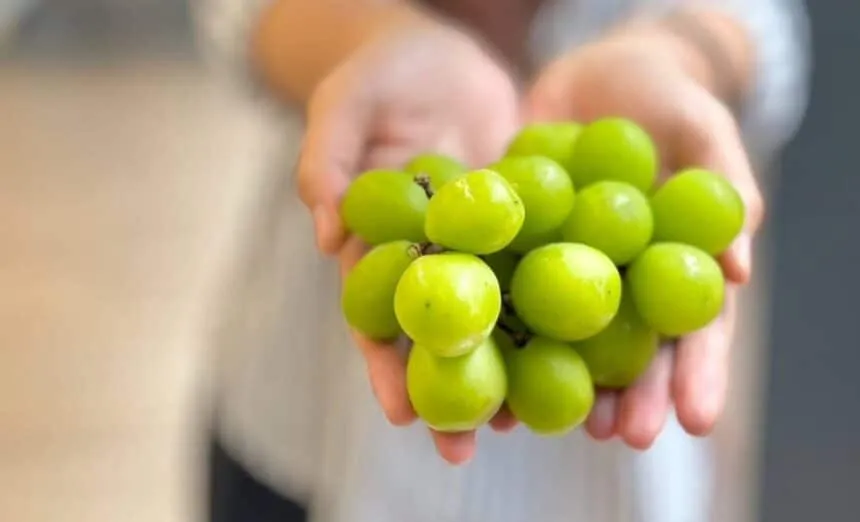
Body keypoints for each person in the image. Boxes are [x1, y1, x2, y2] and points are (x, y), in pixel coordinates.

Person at [191, 1, 810, 521]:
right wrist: (366, 40)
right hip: (306, 424)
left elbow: (764, 16)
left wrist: (684, 50)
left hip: (608, 488)